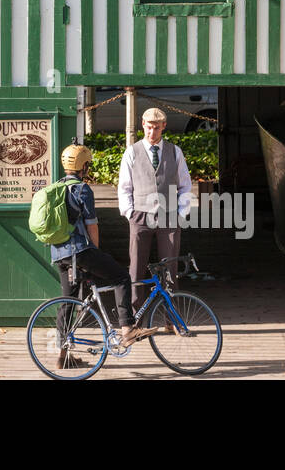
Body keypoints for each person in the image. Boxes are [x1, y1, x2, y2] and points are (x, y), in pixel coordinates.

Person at [51, 143, 153, 361]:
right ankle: (127, 329)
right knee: (120, 276)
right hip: (80, 252)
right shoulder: (82, 189)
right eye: (87, 165)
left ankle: (62, 355)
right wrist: (96, 253)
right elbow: (92, 226)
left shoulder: (57, 186)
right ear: (83, 166)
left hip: (60, 253)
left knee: (68, 301)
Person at [119, 107, 193, 309]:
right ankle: (135, 319)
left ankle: (172, 319)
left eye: (157, 128)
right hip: (140, 216)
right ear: (143, 125)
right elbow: (124, 187)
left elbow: (185, 185)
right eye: (149, 128)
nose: (153, 133)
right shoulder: (131, 152)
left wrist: (180, 213)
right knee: (136, 268)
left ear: (164, 127)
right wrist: (130, 213)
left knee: (170, 267)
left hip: (169, 217)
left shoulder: (175, 151)